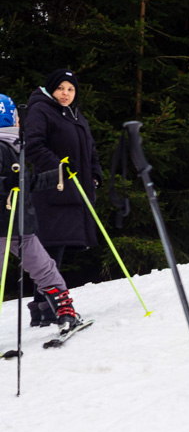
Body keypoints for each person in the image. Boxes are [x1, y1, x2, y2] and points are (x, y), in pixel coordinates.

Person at [0, 94, 84, 333]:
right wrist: (7, 183)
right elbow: (12, 183)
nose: (19, 121)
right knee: (43, 268)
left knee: (44, 268)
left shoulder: (14, 146)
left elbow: (26, 183)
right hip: (4, 226)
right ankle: (63, 310)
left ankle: (64, 310)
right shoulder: (4, 147)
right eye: (16, 116)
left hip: (21, 225)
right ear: (10, 117)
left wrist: (59, 174)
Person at [24, 68, 101, 325]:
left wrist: (95, 174)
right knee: (50, 247)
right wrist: (59, 167)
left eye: (70, 89)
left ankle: (43, 306)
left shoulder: (74, 114)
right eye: (60, 89)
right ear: (51, 89)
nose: (66, 94)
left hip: (74, 188)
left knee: (57, 247)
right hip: (51, 189)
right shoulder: (40, 110)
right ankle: (46, 308)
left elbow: (90, 149)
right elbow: (33, 145)